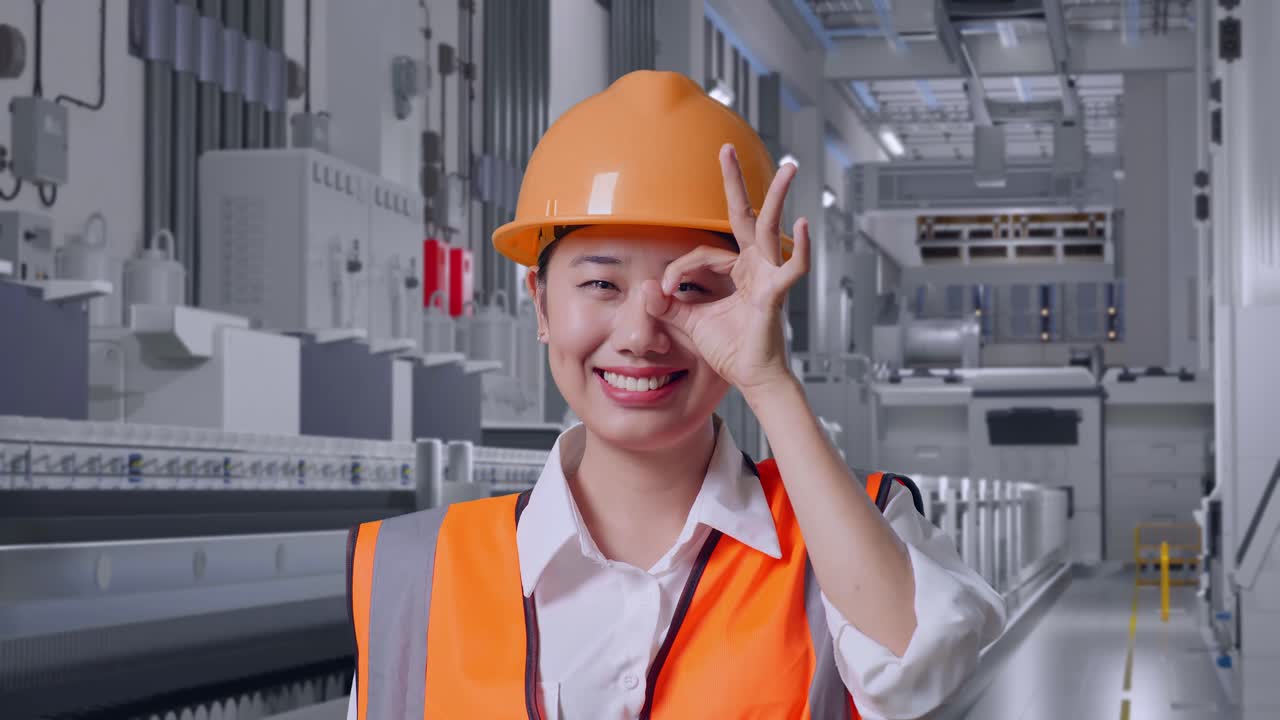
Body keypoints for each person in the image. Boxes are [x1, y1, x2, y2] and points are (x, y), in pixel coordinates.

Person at [345, 70, 1004, 720]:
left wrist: (769, 382)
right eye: (602, 284)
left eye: (692, 288)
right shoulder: (414, 574)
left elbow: (923, 664)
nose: (640, 334)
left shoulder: (846, 538)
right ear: (540, 304)